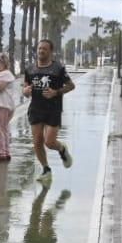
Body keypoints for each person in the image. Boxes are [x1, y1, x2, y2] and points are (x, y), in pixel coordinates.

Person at [23, 39, 75, 181]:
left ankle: (62, 149)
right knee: (37, 141)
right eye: (39, 48)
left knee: (49, 142)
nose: (41, 51)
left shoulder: (58, 68)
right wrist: (26, 91)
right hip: (36, 108)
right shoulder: (30, 69)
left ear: (51, 51)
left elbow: (71, 86)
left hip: (53, 109)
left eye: (44, 49)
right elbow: (25, 87)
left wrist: (56, 92)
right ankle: (46, 169)